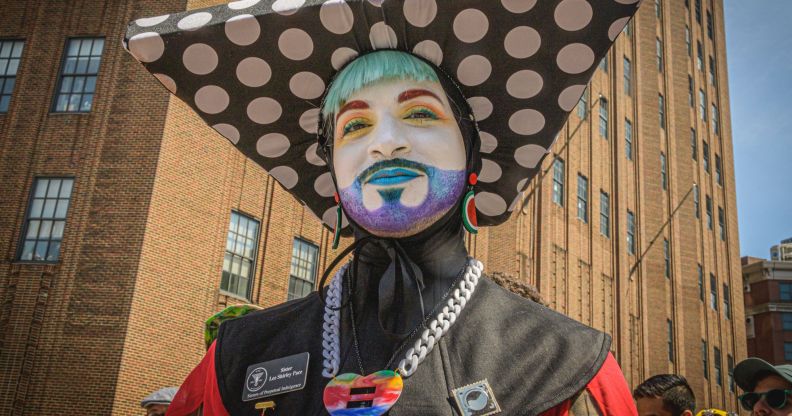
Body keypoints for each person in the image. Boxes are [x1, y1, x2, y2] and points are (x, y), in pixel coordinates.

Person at [124, 0, 643, 415]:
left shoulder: (562, 364)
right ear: (332, 179)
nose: (386, 144)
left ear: (473, 165)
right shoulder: (238, 358)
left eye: (418, 113)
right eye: (355, 125)